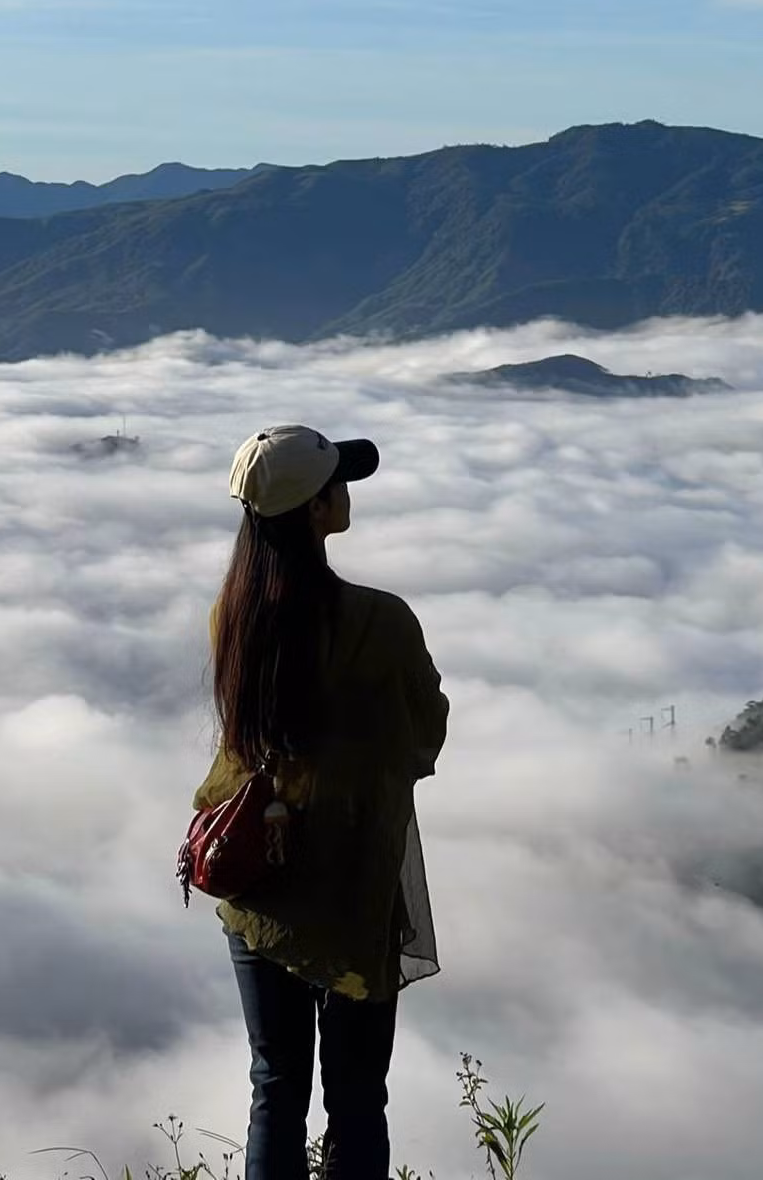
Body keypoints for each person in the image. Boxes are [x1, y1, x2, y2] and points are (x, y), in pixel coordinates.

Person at [191, 424, 449, 1180]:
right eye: (337, 481)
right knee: (358, 1097)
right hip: (354, 886)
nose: (345, 492)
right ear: (312, 510)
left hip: (257, 880)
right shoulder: (381, 621)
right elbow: (423, 734)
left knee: (275, 1088)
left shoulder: (232, 616)